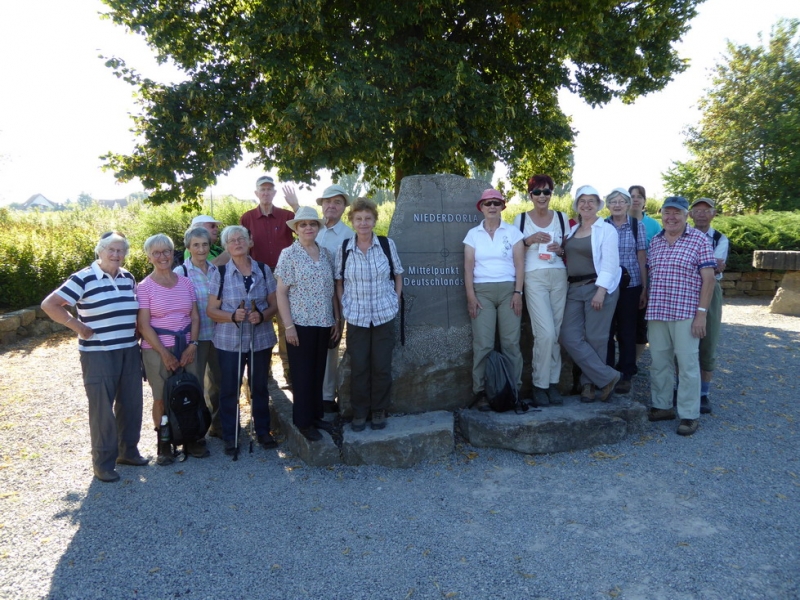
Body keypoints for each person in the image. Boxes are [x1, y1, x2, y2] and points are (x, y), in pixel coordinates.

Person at [41, 231, 145, 483]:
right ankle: (103, 464)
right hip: (98, 353)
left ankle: (128, 452)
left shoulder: (128, 277)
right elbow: (49, 304)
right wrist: (77, 326)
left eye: (121, 250)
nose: (116, 254)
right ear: (100, 250)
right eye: (111, 249)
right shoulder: (84, 278)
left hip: (129, 349)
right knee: (102, 410)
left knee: (131, 404)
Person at [646, 196, 716, 437]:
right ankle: (662, 406)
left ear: (686, 215)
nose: (671, 217)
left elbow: (709, 280)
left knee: (687, 365)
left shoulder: (699, 240)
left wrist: (701, 315)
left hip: (686, 312)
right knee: (659, 362)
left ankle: (689, 414)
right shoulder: (655, 241)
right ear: (661, 215)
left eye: (677, 213)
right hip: (657, 311)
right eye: (667, 212)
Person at [207, 225, 279, 454]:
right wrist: (231, 316)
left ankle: (263, 431)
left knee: (260, 386)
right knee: (229, 388)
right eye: (232, 240)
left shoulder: (263, 269)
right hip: (230, 341)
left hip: (260, 339)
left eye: (241, 239)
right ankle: (231, 435)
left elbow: (275, 304)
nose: (237, 243)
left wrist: (263, 315)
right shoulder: (219, 273)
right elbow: (211, 310)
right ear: (226, 247)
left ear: (250, 242)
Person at [137, 234, 207, 465]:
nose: (162, 256)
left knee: (191, 393)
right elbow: (143, 325)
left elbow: (194, 317)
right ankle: (164, 444)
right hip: (156, 351)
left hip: (187, 347)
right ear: (149, 257)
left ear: (172, 252)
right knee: (161, 398)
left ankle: (192, 438)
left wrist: (192, 345)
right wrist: (164, 353)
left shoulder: (185, 282)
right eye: (156, 253)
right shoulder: (144, 287)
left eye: (166, 251)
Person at [335, 197, 403, 431]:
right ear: (352, 221)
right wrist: (345, 306)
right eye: (358, 219)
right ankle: (360, 411)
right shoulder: (345, 248)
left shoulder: (386, 245)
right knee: (359, 367)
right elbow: (339, 281)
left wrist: (395, 299)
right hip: (357, 317)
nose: (363, 223)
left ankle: (379, 410)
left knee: (381, 366)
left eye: (367, 218)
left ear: (374, 221)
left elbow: (398, 274)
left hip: (384, 314)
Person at [276, 206, 340, 441]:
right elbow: (281, 292)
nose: (308, 228)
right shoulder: (289, 255)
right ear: (296, 229)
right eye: (303, 224)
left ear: (318, 227)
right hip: (300, 324)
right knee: (302, 375)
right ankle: (303, 422)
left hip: (324, 322)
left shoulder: (326, 254)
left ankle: (315, 416)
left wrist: (336, 318)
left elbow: (331, 290)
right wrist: (288, 326)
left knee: (317, 371)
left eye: (312, 224)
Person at [464, 189, 525, 411]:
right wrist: (471, 296)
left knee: (511, 343)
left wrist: (518, 293)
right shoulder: (473, 234)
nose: (492, 207)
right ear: (481, 207)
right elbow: (468, 267)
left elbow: (519, 264)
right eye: (488, 203)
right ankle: (480, 392)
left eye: (496, 203)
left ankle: (514, 391)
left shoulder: (513, 232)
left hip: (509, 290)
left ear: (502, 207)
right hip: (482, 292)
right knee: (483, 344)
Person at [559, 185, 621, 403]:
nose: (586, 205)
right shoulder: (573, 230)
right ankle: (608, 377)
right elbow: (571, 255)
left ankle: (589, 385)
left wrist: (601, 291)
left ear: (597, 205)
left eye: (591, 201)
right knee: (568, 335)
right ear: (577, 205)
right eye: (582, 201)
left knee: (596, 337)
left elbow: (611, 264)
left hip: (598, 286)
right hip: (574, 288)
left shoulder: (606, 230)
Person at [512, 175, 568, 407]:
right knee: (544, 333)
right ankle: (539, 384)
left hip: (559, 275)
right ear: (530, 195)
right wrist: (528, 241)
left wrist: (560, 250)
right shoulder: (521, 219)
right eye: (537, 192)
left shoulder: (562, 217)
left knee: (555, 332)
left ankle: (552, 383)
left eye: (546, 192)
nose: (542, 196)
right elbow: (514, 253)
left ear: (551, 194)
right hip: (534, 276)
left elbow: (567, 250)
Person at [240, 175, 299, 387]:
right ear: (256, 193)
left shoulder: (287, 215)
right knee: (260, 321)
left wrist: (296, 205)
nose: (265, 193)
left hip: (285, 275)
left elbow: (307, 231)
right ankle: (263, 369)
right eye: (262, 189)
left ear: (274, 193)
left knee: (286, 322)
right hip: (259, 275)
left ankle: (289, 370)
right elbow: (242, 246)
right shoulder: (247, 218)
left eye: (269, 189)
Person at [175, 226, 222, 437]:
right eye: (196, 245)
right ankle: (195, 431)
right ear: (188, 247)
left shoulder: (216, 270)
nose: (201, 249)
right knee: (195, 384)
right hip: (194, 338)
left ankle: (218, 426)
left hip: (218, 334)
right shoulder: (180, 273)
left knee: (219, 383)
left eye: (204, 245)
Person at [314, 184, 354, 413]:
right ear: (321, 205)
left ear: (344, 208)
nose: (332, 205)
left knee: (330, 347)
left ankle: (327, 396)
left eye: (337, 202)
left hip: (334, 300)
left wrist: (339, 313)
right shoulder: (313, 229)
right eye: (328, 201)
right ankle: (311, 391)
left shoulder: (349, 236)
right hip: (308, 301)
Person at [605, 188, 647, 394]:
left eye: (622, 201)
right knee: (606, 330)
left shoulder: (637, 226)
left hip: (631, 286)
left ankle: (626, 373)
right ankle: (607, 372)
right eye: (613, 201)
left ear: (628, 205)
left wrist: (644, 288)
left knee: (627, 330)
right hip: (607, 285)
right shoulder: (602, 226)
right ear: (608, 205)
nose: (617, 205)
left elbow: (641, 257)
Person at [689, 197, 729, 415]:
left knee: (708, 339)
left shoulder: (720, 239)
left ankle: (703, 394)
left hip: (711, 291)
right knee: (683, 340)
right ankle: (683, 387)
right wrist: (708, 265)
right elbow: (711, 264)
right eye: (697, 210)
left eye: (707, 210)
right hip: (685, 290)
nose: (702, 214)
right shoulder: (682, 234)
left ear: (713, 214)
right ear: (690, 214)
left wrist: (695, 264)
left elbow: (715, 268)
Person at [628, 185, 663, 365]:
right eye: (632, 196)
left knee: (640, 324)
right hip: (621, 282)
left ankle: (633, 362)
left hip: (644, 282)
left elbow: (659, 252)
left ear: (644, 201)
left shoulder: (654, 225)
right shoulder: (614, 221)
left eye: (639, 196)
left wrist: (647, 286)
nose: (635, 199)